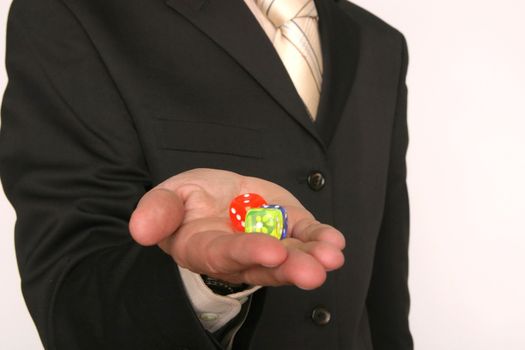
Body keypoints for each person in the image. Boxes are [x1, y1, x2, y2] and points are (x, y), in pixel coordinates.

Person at [0, 0, 413, 348]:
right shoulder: (73, 11)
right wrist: (205, 284)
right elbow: (71, 300)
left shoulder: (377, 41)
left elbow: (385, 288)